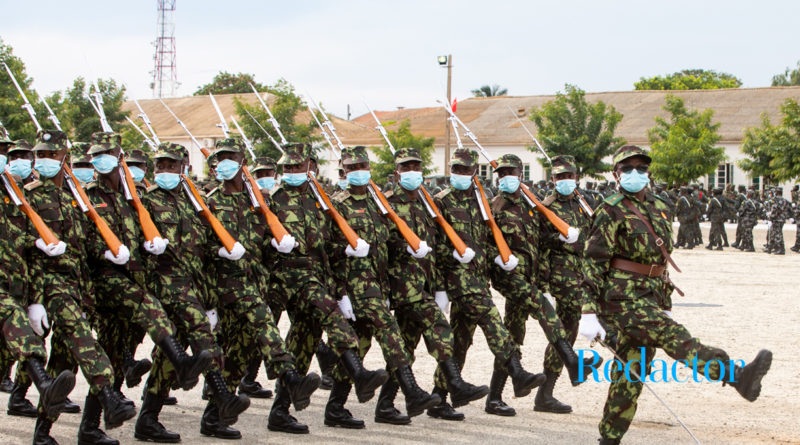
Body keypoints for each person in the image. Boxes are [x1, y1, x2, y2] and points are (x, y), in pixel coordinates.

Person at [578, 145, 772, 445]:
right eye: (627, 168)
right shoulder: (610, 209)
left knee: (632, 371)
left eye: (641, 168)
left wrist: (665, 304)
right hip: (621, 299)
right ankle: (735, 376)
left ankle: (609, 438)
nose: (635, 173)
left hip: (651, 296)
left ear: (648, 173)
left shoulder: (660, 206)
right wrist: (588, 312)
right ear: (616, 174)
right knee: (675, 337)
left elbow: (661, 262)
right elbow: (593, 262)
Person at [24, 130, 138, 444]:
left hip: (79, 287)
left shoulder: (75, 196)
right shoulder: (29, 197)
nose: (43, 160)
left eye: (50, 154)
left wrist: (108, 251)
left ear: (65, 158)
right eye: (40, 155)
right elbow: (20, 252)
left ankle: (56, 432)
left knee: (63, 364)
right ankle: (108, 397)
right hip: (52, 286)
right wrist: (34, 300)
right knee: (87, 344)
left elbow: (84, 244)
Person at [266, 142, 387, 434]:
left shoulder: (321, 200)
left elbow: (328, 246)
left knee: (302, 345)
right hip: (288, 281)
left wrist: (345, 258)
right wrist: (271, 244)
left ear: (311, 167)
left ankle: (280, 412)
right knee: (333, 317)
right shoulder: (272, 200)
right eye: (287, 168)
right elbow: (255, 240)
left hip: (317, 280)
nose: (291, 172)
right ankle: (357, 373)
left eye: (297, 166)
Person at [203, 138, 321, 438]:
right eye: (221, 158)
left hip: (256, 283)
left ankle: (213, 416)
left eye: (231, 157)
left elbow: (263, 248)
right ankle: (290, 377)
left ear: (243, 159)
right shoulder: (210, 202)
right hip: (226, 285)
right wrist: (218, 253)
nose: (226, 163)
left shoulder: (258, 202)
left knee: (238, 352)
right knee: (263, 323)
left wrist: (276, 245)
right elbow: (197, 247)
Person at [135, 142, 251, 442]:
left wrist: (217, 270)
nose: (165, 171)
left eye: (171, 166)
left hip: (193, 286)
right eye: (160, 166)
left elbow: (201, 250)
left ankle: (148, 419)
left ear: (183, 168)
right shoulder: (146, 201)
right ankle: (222, 397)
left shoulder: (192, 202)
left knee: (168, 358)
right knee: (204, 336)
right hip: (165, 285)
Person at [327, 146, 440, 428]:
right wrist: (340, 290)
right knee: (391, 334)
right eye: (351, 168)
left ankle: (336, 408)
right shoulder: (336, 204)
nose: (358, 171)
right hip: (354, 286)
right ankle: (412, 392)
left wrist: (410, 249)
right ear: (344, 171)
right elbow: (324, 248)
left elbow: (386, 244)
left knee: (361, 344)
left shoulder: (378, 203)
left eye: (362, 165)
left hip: (377, 286)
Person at [429, 147, 545, 421]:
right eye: (456, 169)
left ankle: (439, 397)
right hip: (457, 279)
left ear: (474, 172)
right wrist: (445, 271)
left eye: (466, 170)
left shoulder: (482, 200)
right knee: (492, 319)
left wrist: (498, 257)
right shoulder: (440, 201)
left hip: (478, 278)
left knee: (460, 341)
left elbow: (486, 239)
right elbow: (431, 245)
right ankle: (517, 371)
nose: (460, 174)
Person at [378, 147, 488, 425]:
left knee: (407, 346)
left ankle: (386, 405)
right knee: (439, 327)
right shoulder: (388, 202)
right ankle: (455, 384)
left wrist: (439, 287)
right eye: (406, 167)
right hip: (403, 284)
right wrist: (404, 250)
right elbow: (380, 243)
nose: (412, 171)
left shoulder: (426, 202)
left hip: (423, 283)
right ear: (396, 172)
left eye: (416, 166)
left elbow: (436, 247)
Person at [490, 154, 599, 416]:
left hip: (534, 277)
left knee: (515, 333)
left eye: (512, 172)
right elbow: (487, 239)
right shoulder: (496, 206)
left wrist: (565, 237)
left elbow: (540, 239)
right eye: (502, 173)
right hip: (523, 277)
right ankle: (497, 395)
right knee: (521, 331)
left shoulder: (534, 204)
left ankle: (534, 393)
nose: (508, 177)